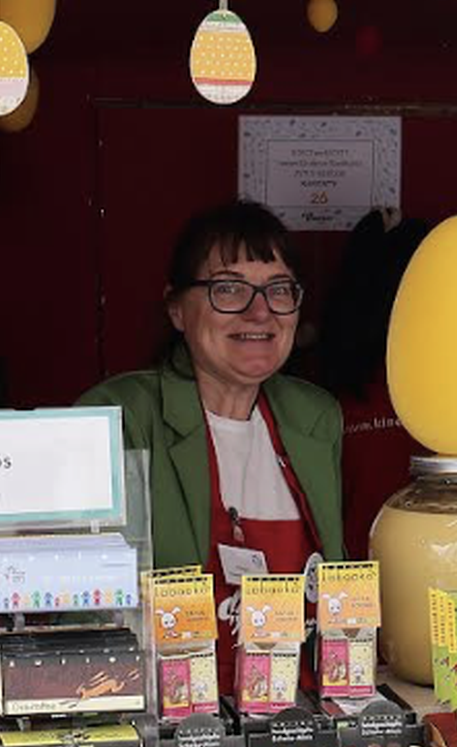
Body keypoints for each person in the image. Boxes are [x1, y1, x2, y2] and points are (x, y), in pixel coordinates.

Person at [82, 201, 345, 615]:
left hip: (303, 679)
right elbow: (85, 601)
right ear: (176, 308)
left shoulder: (315, 417)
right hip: (170, 679)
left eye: (278, 289)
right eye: (228, 288)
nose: (259, 312)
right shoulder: (123, 416)